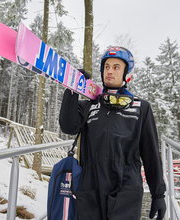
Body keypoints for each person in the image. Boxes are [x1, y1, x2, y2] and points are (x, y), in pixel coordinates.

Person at [59, 46, 166, 220]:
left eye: (116, 67)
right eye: (106, 67)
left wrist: (158, 194)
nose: (109, 71)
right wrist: (71, 89)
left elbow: (151, 154)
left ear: (126, 73)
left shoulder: (141, 108)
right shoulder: (89, 106)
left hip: (126, 189)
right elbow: (68, 126)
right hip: (90, 188)